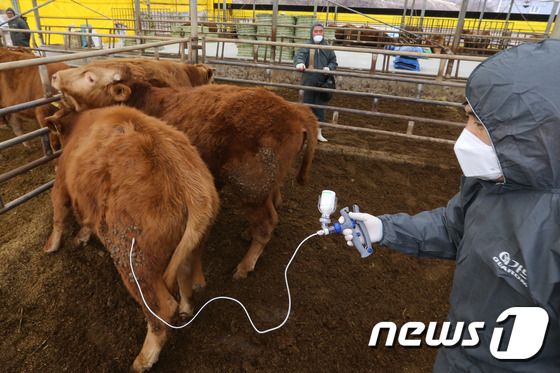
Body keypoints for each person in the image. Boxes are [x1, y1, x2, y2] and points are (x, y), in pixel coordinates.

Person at [341, 38, 560, 372]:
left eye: (478, 124)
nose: (465, 135)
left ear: (531, 132)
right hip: (457, 351)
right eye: (468, 117)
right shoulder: (491, 182)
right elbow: (452, 226)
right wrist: (385, 228)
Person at [294, 22, 337, 142]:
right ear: (311, 32)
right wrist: (300, 63)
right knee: (306, 105)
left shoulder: (328, 47)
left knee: (320, 106)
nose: (318, 33)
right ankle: (304, 130)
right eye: (316, 31)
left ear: (323, 33)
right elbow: (299, 56)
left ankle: (318, 132)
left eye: (321, 31)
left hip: (323, 82)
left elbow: (334, 62)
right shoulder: (306, 45)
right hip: (308, 80)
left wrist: (329, 68)